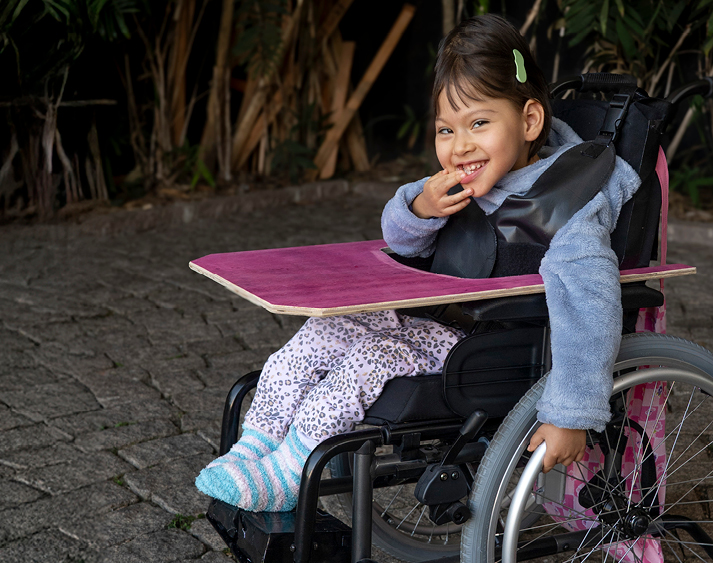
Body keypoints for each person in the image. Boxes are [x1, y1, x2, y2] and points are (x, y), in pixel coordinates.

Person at [195, 13, 640, 513]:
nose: (460, 145)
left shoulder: (566, 207)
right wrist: (419, 209)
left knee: (366, 362)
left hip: (487, 347)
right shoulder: (464, 179)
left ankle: (289, 470)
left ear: (530, 121)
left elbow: (590, 306)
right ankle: (256, 443)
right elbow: (401, 243)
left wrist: (571, 413)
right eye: (445, 130)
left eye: (479, 123)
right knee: (314, 337)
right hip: (430, 319)